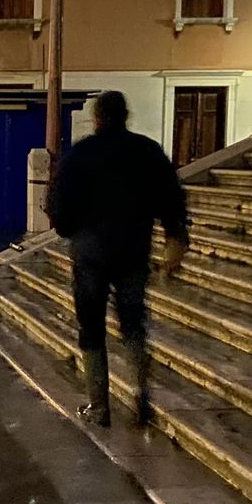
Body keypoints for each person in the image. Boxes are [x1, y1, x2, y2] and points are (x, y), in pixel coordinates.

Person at [50, 91, 189, 428]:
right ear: (126, 115)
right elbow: (172, 199)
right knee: (133, 322)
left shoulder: (80, 155)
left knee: (92, 327)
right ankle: (141, 392)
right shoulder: (147, 151)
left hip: (90, 253)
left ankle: (100, 407)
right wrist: (176, 240)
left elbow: (58, 208)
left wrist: (72, 230)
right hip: (132, 250)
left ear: (96, 117)